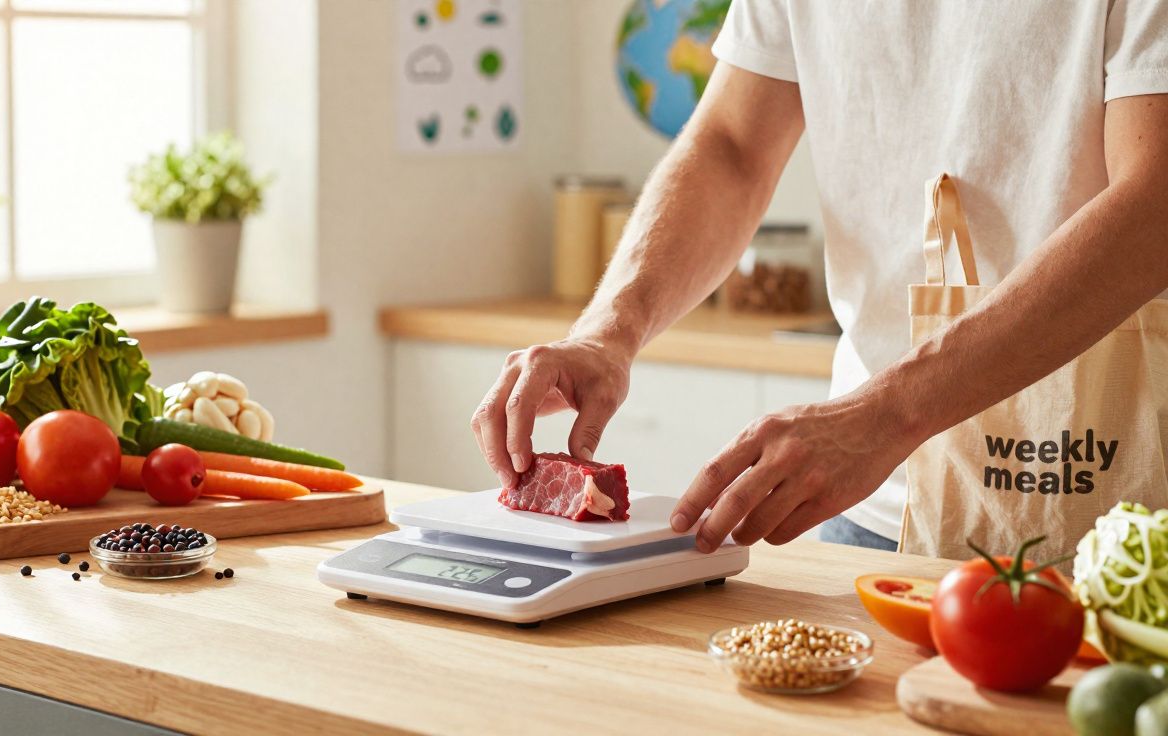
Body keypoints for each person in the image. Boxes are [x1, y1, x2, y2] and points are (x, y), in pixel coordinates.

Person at [471, 0, 1168, 557]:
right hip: (874, 514)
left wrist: (887, 413)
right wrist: (607, 332)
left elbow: (1155, 204)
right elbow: (732, 147)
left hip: (1116, 517)